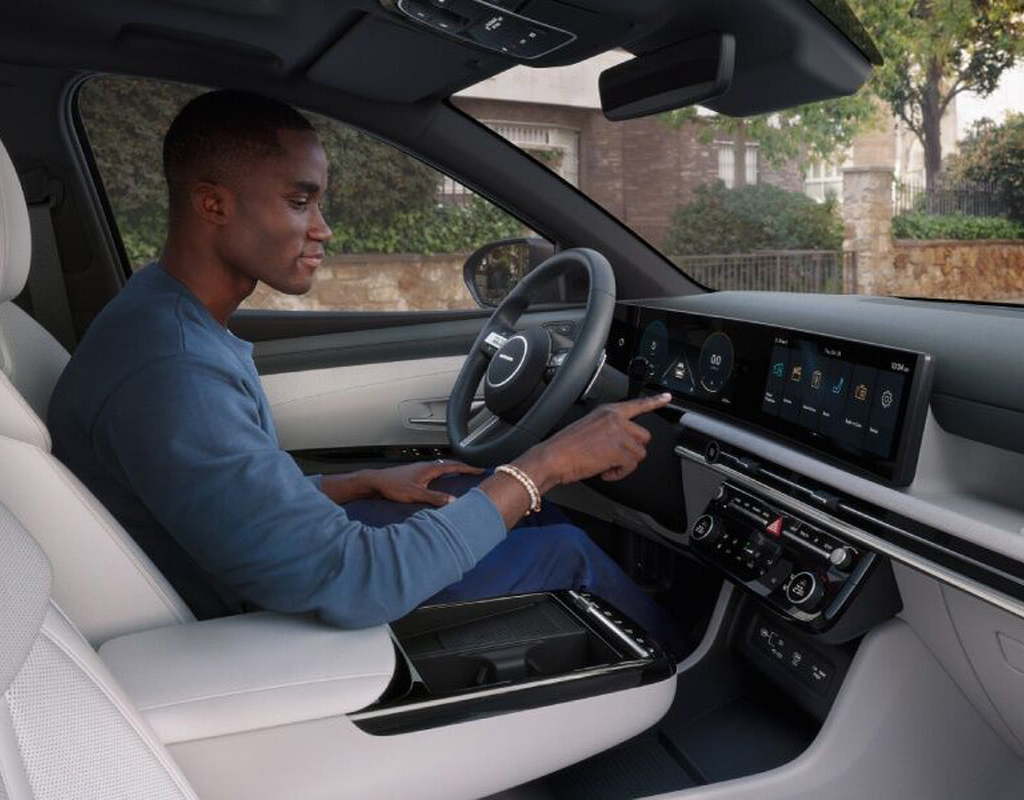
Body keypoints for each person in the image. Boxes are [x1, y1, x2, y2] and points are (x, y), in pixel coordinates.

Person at [48, 90, 683, 650]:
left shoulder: (157, 312)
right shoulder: (174, 371)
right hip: (261, 630)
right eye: (300, 202)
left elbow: (221, 496)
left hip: (259, 571)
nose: (323, 229)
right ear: (213, 204)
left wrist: (356, 483)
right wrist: (547, 464)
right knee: (564, 550)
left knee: (511, 504)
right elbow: (360, 581)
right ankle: (688, 691)